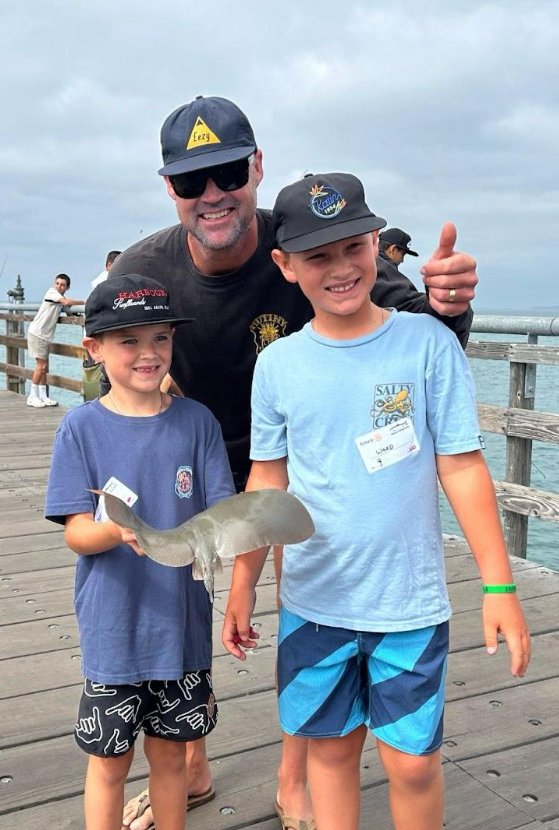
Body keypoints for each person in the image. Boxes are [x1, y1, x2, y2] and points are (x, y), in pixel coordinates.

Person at [110, 96, 479, 830]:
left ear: (254, 168)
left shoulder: (309, 235)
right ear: (170, 190)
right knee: (183, 594)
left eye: (225, 174)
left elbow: (407, 326)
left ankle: (297, 774)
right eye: (191, 182)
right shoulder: (147, 264)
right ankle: (189, 759)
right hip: (194, 447)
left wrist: (449, 306)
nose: (212, 195)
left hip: (293, 455)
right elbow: (115, 355)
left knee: (304, 595)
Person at [222, 172, 531, 830]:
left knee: (414, 761)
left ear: (375, 244)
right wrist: (244, 582)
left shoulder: (428, 344)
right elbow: (266, 483)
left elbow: (463, 464)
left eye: (352, 247)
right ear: (284, 266)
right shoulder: (277, 365)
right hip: (314, 602)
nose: (340, 269)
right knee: (331, 754)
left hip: (410, 605)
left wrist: (499, 586)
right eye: (317, 256)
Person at [45, 274, 235, 830]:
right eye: (129, 341)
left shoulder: (197, 422)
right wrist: (117, 531)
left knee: (171, 757)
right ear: (94, 349)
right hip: (114, 628)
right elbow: (75, 533)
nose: (148, 353)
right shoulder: (79, 428)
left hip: (182, 629)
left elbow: (221, 514)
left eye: (161, 338)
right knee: (108, 761)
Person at [27, 273, 84, 408]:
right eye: (57, 283)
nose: (59, 286)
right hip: (37, 333)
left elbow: (68, 309)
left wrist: (75, 314)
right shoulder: (52, 293)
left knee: (44, 366)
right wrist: (83, 302)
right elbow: (66, 303)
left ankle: (43, 396)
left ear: (67, 287)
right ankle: (32, 396)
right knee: (41, 366)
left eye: (62, 285)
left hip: (44, 335)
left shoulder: (59, 298)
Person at [83, 251, 123, 401]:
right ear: (109, 265)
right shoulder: (108, 280)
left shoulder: (99, 281)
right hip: (103, 336)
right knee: (105, 376)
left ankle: (98, 405)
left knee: (99, 375)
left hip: (95, 335)